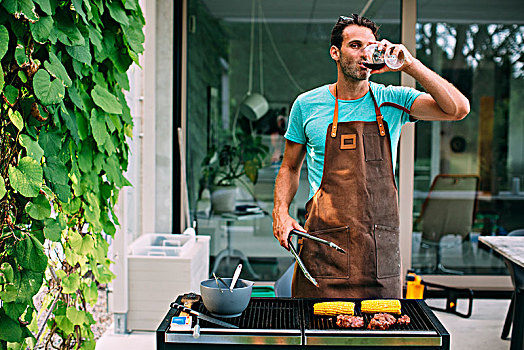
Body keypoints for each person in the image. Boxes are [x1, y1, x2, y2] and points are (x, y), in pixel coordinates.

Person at [272, 14, 469, 298]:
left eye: (371, 45)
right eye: (355, 45)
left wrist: (410, 65)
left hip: (379, 254)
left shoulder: (394, 99)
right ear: (335, 53)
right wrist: (281, 213)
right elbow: (290, 167)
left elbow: (458, 109)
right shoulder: (307, 105)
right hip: (323, 248)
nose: (365, 51)